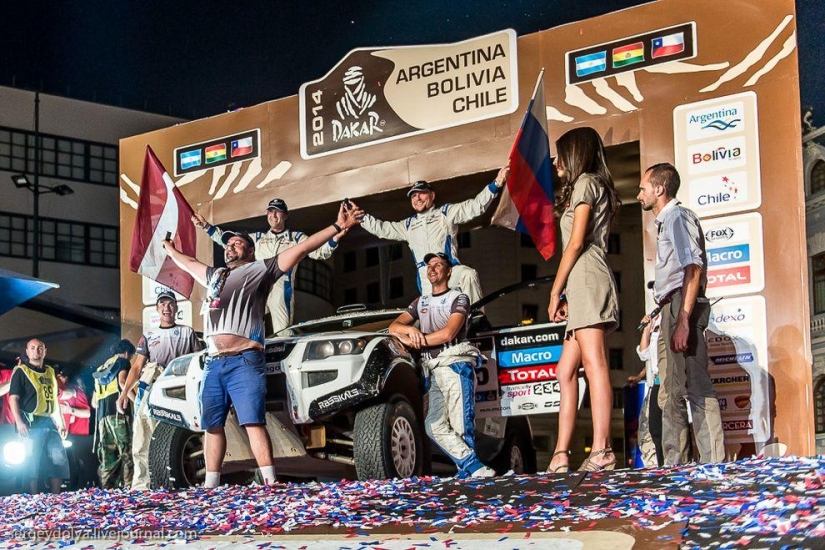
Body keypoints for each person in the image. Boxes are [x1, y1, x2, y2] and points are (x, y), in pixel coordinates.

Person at [164, 200, 364, 488]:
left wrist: (337, 227)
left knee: (252, 422)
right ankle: (210, 486)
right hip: (213, 363)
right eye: (228, 244)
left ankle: (270, 481)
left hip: (244, 360)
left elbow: (302, 249)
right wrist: (170, 250)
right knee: (212, 425)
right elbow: (188, 262)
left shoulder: (261, 270)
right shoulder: (215, 276)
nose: (231, 247)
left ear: (250, 250)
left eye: (237, 244)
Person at [636, 162, 724, 465]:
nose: (639, 195)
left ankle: (707, 465)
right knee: (670, 392)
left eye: (643, 188)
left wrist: (683, 319)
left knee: (692, 388)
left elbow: (693, 267)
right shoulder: (668, 220)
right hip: (670, 308)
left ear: (659, 189)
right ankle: (678, 466)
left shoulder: (677, 217)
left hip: (680, 307)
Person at [545, 127, 621, 474]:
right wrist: (567, 293)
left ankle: (602, 449)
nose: (556, 161)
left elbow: (576, 243)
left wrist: (554, 289)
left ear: (575, 153)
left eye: (561, 154)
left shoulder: (586, 182)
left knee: (594, 364)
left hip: (587, 276)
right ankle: (561, 453)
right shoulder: (586, 184)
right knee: (565, 371)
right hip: (580, 284)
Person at [388, 252, 495, 479]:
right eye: (429, 266)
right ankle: (474, 467)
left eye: (438, 265)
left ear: (449, 272)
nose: (432, 269)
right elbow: (393, 327)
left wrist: (418, 340)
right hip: (434, 367)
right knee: (433, 425)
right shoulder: (420, 301)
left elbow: (448, 333)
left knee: (461, 424)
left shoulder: (459, 298)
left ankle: (469, 474)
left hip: (455, 362)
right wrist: (411, 331)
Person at [360, 166, 510, 304]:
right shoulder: (407, 225)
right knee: (431, 318)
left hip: (449, 273)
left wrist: (497, 183)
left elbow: (475, 206)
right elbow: (382, 229)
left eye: (421, 194)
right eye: (413, 196)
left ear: (432, 195)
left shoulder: (445, 213)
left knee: (468, 274)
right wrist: (360, 217)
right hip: (427, 279)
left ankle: (476, 316)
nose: (417, 198)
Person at [192, 198, 342, 333]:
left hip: (281, 289)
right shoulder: (258, 238)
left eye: (277, 211)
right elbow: (229, 243)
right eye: (270, 211)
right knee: (244, 323)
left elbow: (319, 253)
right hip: (257, 284)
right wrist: (206, 226)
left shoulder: (297, 237)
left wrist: (335, 238)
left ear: (286, 215)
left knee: (283, 331)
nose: (273, 215)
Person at [116, 291, 202, 490]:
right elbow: (137, 367)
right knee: (142, 436)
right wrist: (124, 393)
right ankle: (140, 485)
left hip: (178, 387)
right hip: (150, 386)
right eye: (162, 304)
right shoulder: (149, 335)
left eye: (170, 304)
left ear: (176, 308)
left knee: (167, 436)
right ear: (157, 308)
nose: (166, 308)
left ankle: (168, 482)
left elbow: (197, 359)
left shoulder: (187, 332)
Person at [7, 339, 69, 494]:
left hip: (49, 422)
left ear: (45, 351)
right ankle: (33, 498)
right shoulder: (21, 371)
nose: (36, 351)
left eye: (40, 348)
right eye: (33, 348)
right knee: (31, 461)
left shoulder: (50, 371)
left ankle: (56, 496)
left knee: (58, 459)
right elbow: (13, 398)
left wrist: (61, 422)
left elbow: (54, 400)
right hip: (31, 423)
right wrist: (19, 422)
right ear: (27, 352)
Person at [93, 339, 135, 489]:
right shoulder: (123, 361)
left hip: (102, 418)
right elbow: (123, 383)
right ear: (126, 353)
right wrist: (137, 401)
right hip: (118, 413)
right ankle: (130, 488)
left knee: (108, 457)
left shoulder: (100, 369)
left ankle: (108, 491)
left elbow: (94, 402)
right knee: (127, 452)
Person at [627, 312, 664, 468]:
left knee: (660, 428)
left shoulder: (670, 318)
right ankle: (654, 466)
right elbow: (644, 354)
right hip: (653, 383)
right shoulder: (655, 321)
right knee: (646, 430)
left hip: (666, 383)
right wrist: (646, 330)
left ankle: (664, 464)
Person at [57, 368, 95, 488]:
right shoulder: (57, 394)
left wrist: (70, 410)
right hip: (66, 434)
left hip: (79, 435)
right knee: (67, 464)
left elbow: (87, 413)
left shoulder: (77, 392)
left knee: (81, 464)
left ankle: (84, 487)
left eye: (60, 376)